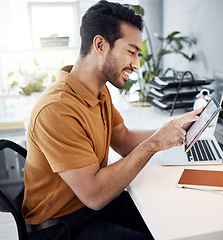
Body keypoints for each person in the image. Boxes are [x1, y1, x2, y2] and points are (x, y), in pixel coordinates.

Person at [22, 1, 201, 239]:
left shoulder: (98, 89)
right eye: (131, 52)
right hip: (63, 226)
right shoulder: (57, 109)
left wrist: (171, 130)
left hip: (95, 207)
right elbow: (94, 194)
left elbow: (124, 140)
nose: (136, 64)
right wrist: (156, 143)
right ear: (100, 44)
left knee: (173, 220)